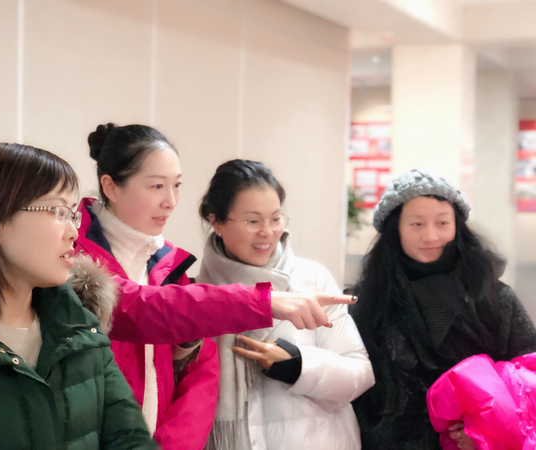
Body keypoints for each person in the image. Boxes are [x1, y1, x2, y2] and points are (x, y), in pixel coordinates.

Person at [74, 124, 357, 450]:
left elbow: (200, 379)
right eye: (157, 186)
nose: (171, 201)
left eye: (177, 185)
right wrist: (263, 302)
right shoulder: (77, 261)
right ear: (110, 187)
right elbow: (145, 307)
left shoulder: (168, 266)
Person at [0, 143, 156, 450]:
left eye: (72, 214)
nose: (73, 232)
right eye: (58, 212)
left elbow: (129, 439)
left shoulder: (81, 329)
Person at [349, 169, 536, 450]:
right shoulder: (369, 299)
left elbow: (527, 375)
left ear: (457, 226)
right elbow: (356, 383)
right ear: (395, 228)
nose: (430, 236)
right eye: (416, 224)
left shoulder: (493, 296)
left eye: (442, 223)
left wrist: (486, 431)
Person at [197, 159, 375, 450]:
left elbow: (360, 374)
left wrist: (297, 365)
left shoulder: (311, 279)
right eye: (253, 221)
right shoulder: (196, 296)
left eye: (276, 218)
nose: (267, 232)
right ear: (216, 221)